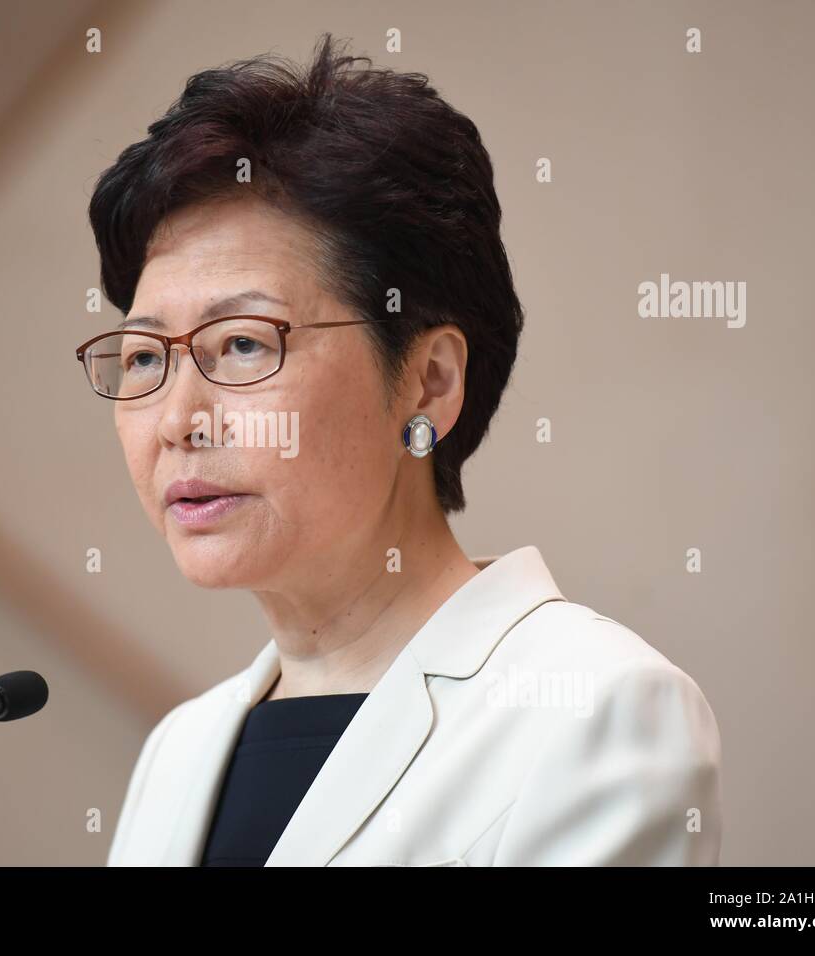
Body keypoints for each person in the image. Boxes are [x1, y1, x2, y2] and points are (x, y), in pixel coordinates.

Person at [77, 34, 721, 866]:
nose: (176, 420)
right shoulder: (178, 750)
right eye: (143, 357)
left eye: (241, 344)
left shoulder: (596, 707)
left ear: (429, 382)